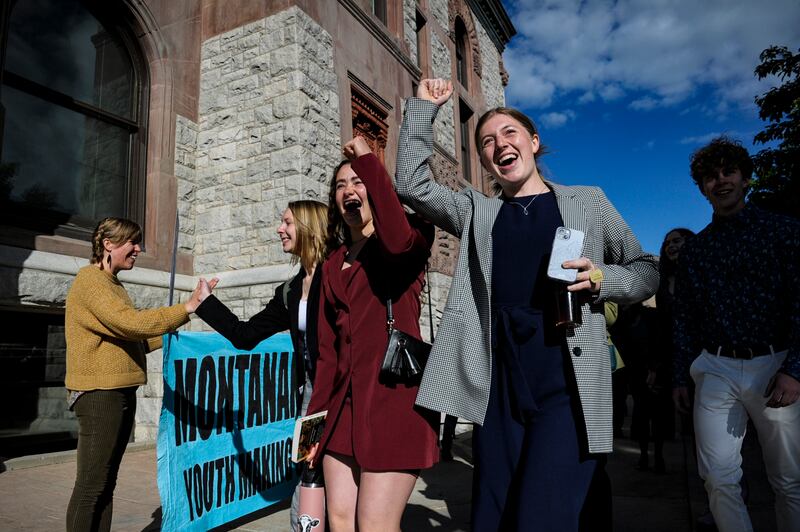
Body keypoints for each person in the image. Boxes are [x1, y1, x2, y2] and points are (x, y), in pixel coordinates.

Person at [395, 79, 659, 531]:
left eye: (509, 133)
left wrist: (600, 279)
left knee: (542, 514)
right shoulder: (479, 211)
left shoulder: (586, 201)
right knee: (494, 514)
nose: (500, 144)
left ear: (533, 143)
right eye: (487, 142)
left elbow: (646, 268)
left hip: (565, 378)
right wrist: (423, 109)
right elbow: (411, 184)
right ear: (484, 161)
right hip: (498, 381)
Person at [305, 136, 439, 532]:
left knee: (375, 524)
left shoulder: (409, 239)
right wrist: (311, 428)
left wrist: (367, 160)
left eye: (358, 182)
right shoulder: (331, 265)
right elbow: (327, 356)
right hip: (341, 412)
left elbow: (396, 238)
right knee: (341, 520)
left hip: (393, 402)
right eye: (340, 185)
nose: (349, 190)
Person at [672, 136, 800, 532]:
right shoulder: (697, 250)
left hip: (775, 365)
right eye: (710, 177)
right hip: (715, 368)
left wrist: (795, 368)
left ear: (745, 178)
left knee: (789, 480)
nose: (720, 181)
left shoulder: (784, 232)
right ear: (702, 187)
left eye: (728, 172)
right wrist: (680, 373)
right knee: (718, 477)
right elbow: (685, 317)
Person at [193, 199, 328, 530]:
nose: (279, 229)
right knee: (308, 472)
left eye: (287, 223)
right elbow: (246, 335)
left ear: (309, 227)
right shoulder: (291, 289)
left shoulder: (339, 276)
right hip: (312, 398)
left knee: (339, 478)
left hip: (343, 393)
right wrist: (206, 303)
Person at [65, 217, 205, 532]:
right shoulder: (90, 281)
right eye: (132, 242)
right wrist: (187, 307)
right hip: (100, 395)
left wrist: (172, 328)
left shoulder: (113, 284)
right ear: (108, 244)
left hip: (119, 393)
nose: (138, 249)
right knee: (91, 486)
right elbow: (131, 324)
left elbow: (134, 338)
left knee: (106, 482)